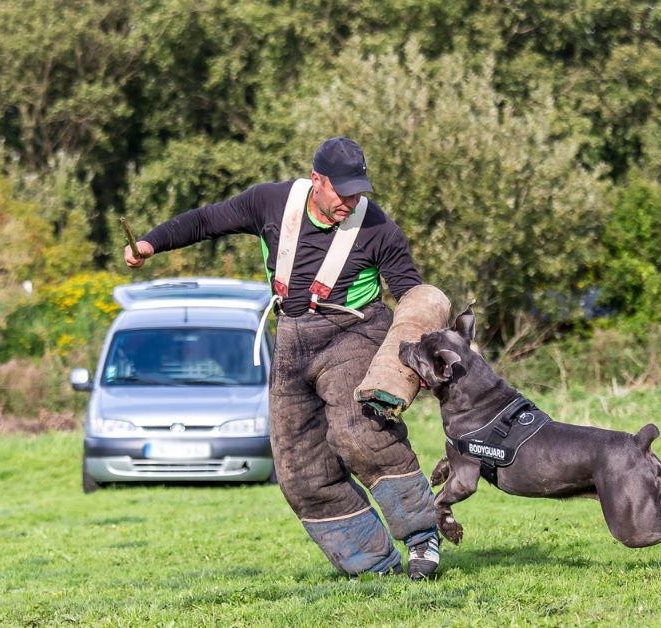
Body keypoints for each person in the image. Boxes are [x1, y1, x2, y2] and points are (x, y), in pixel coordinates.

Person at [124, 137, 441, 579]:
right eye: (343, 192)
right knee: (299, 470)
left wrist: (417, 346)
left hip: (354, 332)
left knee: (359, 434)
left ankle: (422, 536)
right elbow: (206, 220)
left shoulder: (378, 228)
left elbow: (411, 292)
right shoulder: (269, 202)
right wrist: (150, 244)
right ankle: (372, 564)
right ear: (317, 181)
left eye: (358, 192)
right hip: (291, 338)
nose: (351, 201)